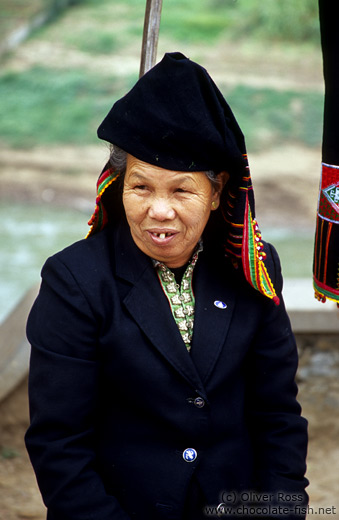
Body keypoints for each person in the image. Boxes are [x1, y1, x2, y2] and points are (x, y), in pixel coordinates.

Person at [25, 52, 308, 520]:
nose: (159, 210)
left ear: (216, 194)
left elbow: (277, 416)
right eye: (141, 188)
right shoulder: (74, 282)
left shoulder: (252, 269)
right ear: (119, 187)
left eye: (181, 190)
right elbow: (60, 445)